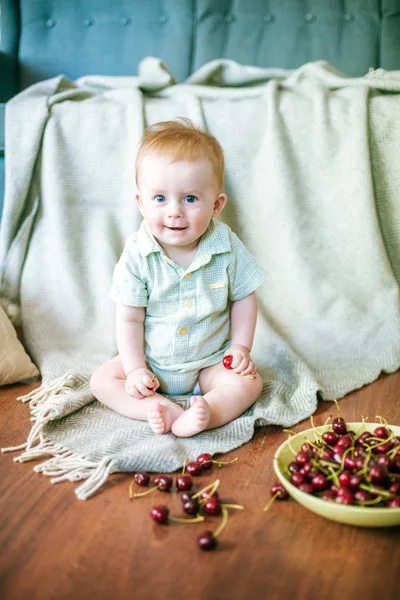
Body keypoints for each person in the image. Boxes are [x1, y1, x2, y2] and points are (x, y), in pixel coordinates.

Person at [90, 119, 266, 437]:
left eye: (189, 199)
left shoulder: (226, 246)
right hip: (153, 363)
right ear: (141, 203)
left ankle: (208, 412)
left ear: (216, 205)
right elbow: (128, 319)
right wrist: (134, 370)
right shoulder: (137, 255)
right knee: (102, 380)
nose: (174, 211)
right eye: (160, 199)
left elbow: (244, 297)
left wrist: (239, 348)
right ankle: (157, 408)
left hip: (208, 364)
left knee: (250, 383)